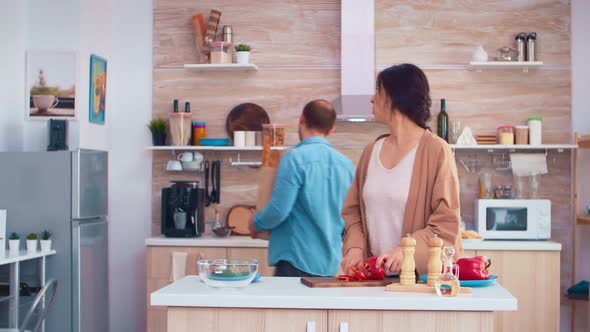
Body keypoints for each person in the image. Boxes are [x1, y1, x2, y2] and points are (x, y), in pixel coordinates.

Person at [340, 64, 462, 276]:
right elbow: (354, 214)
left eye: (378, 92)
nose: (372, 98)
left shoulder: (436, 150)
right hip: (374, 280)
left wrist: (406, 251)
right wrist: (355, 248)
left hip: (420, 283)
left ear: (397, 97)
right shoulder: (371, 151)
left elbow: (445, 224)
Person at [249, 99, 355, 277]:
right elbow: (348, 216)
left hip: (296, 261)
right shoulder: (346, 165)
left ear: (301, 119)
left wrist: (256, 222)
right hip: (329, 264)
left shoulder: (295, 159)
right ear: (331, 129)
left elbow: (278, 211)